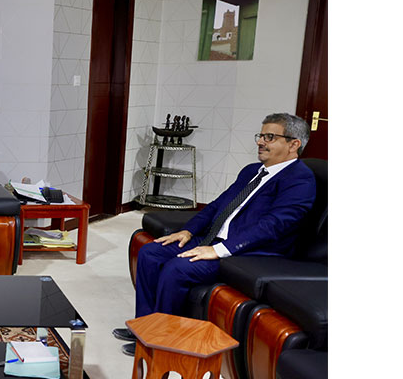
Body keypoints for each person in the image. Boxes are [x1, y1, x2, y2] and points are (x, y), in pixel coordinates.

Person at [114, 113, 317, 356]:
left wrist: (219, 250)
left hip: (248, 251)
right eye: (261, 136)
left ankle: (162, 342)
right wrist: (188, 230)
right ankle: (146, 326)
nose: (260, 142)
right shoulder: (252, 171)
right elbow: (217, 205)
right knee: (151, 252)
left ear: (294, 144)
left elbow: (274, 225)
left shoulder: (300, 180)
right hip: (214, 239)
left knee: (178, 268)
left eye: (269, 137)